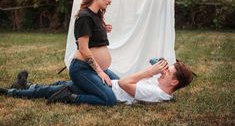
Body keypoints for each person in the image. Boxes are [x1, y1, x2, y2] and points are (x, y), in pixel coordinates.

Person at [0, 59, 195, 105]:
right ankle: (28, 86)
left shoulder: (157, 93)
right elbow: (128, 81)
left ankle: (14, 92)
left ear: (175, 81)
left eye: (167, 72)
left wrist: (148, 72)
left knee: (67, 86)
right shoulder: (161, 85)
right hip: (113, 84)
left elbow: (127, 83)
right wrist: (156, 66)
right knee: (69, 83)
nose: (162, 73)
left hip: (109, 90)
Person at [69, 0, 120, 106]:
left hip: (95, 68)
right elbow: (83, 48)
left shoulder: (96, 15)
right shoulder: (85, 16)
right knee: (109, 99)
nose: (110, 1)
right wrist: (100, 72)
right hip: (82, 68)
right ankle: (69, 96)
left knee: (121, 87)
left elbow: (94, 40)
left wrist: (103, 29)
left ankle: (70, 87)